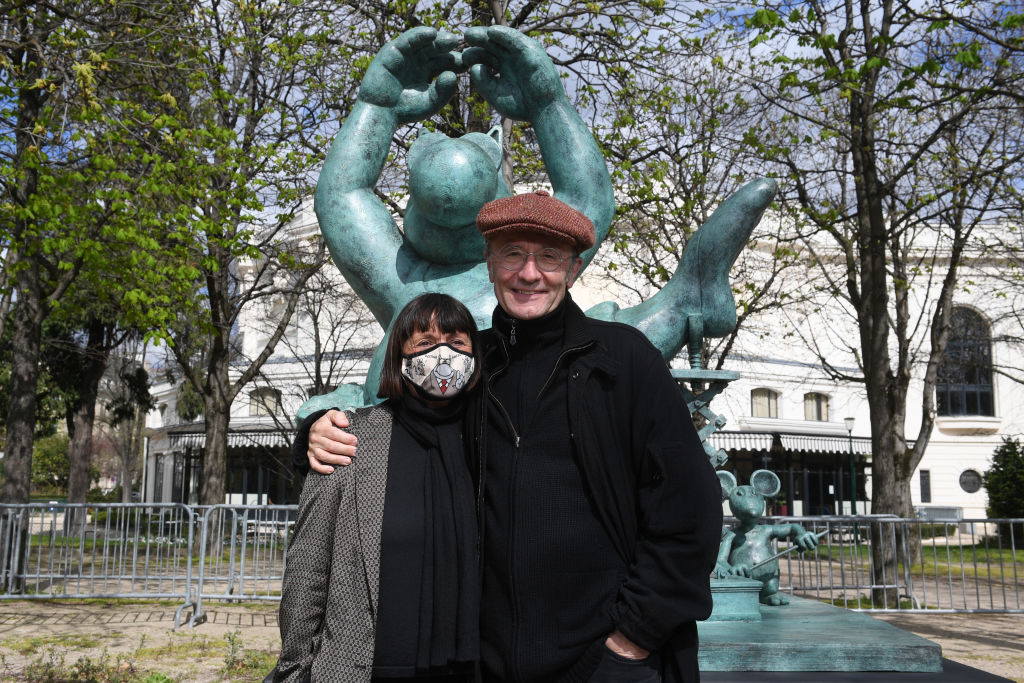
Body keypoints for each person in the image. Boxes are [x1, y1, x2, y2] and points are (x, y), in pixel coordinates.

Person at [305, 192, 723, 683]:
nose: (529, 274)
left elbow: (689, 510)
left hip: (607, 660)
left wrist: (632, 638)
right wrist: (315, 429)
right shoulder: (471, 365)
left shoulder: (624, 361)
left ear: (573, 269)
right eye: (512, 254)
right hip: (489, 662)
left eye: (548, 257)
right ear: (489, 262)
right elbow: (402, 427)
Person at [272, 293, 482, 683]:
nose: (443, 355)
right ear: (400, 356)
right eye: (424, 343)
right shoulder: (349, 439)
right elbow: (308, 570)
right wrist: (293, 669)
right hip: (364, 670)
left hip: (473, 670)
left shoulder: (490, 440)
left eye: (456, 343)